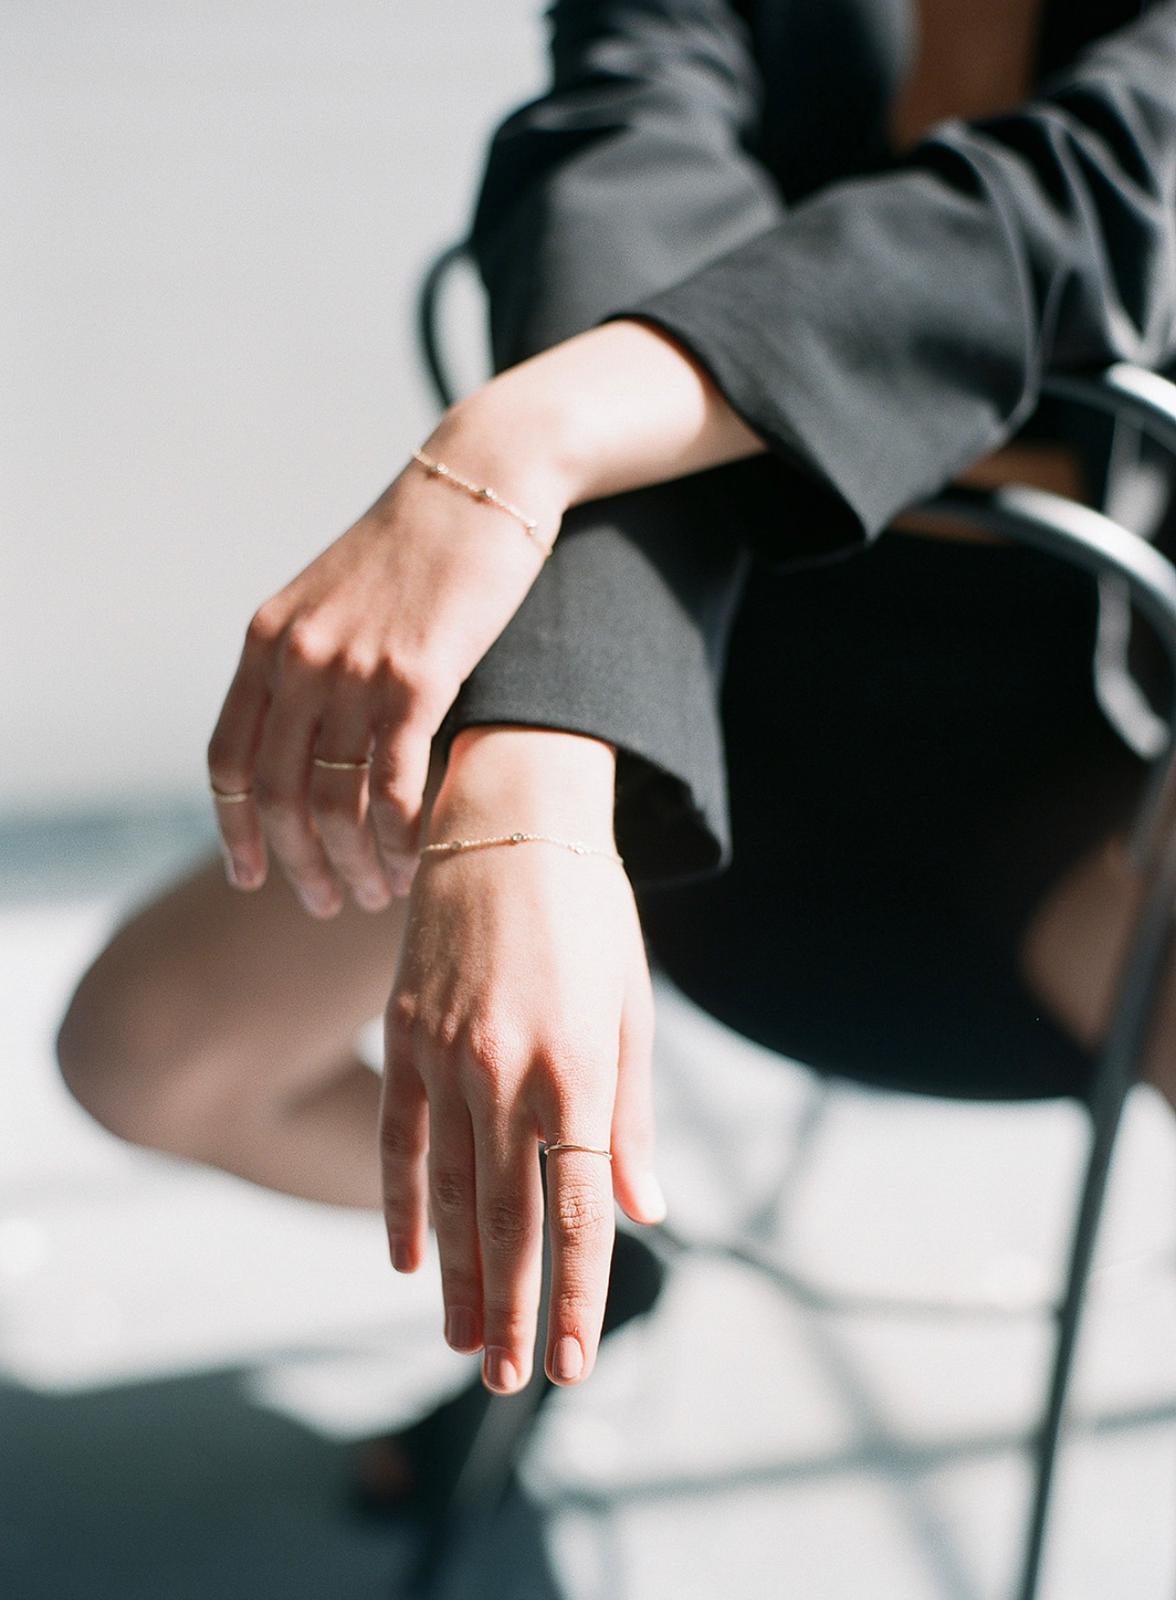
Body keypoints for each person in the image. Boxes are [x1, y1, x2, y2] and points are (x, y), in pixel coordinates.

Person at [55, 0, 1176, 1505]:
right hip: (688, 671)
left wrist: (525, 443)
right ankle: (590, 1256)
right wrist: (547, 746)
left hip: (1080, 773)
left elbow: (1079, 206)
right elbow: (619, 161)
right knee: (144, 1054)